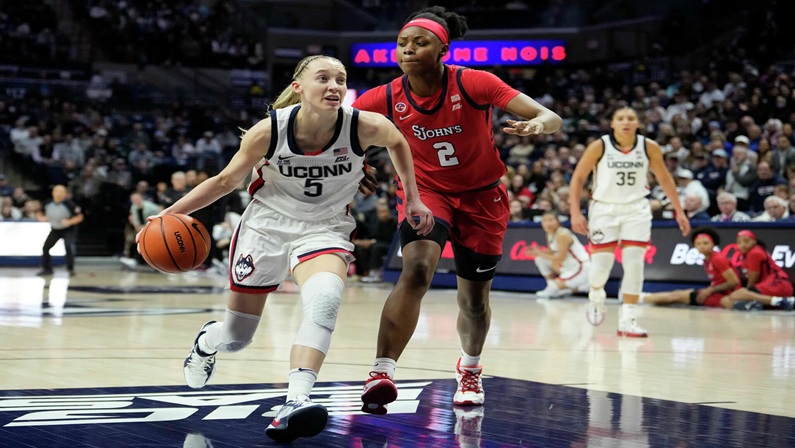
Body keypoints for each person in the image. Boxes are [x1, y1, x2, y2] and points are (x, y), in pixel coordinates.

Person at [140, 55, 433, 443]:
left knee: (325, 299)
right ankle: (206, 343)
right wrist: (166, 215)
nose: (334, 86)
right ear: (298, 87)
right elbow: (226, 180)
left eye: (340, 80)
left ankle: (296, 400)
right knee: (236, 337)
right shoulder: (267, 132)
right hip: (266, 229)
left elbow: (397, 141)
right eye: (323, 78)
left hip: (324, 229)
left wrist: (412, 198)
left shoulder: (363, 126)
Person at [352, 5, 562, 414]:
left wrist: (538, 124)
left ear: (442, 48)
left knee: (474, 301)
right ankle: (381, 371)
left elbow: (549, 116)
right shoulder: (385, 96)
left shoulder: (473, 81)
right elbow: (339, 129)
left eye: (420, 42)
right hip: (426, 192)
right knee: (416, 270)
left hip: (483, 197)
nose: (408, 49)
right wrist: (354, 161)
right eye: (402, 43)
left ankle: (470, 367)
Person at [569, 106, 690, 337]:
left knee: (635, 264)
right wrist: (575, 212)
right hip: (604, 209)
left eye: (631, 118)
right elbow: (578, 178)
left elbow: (664, 178)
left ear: (637, 123)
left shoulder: (648, 147)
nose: (626, 122)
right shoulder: (599, 146)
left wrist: (679, 211)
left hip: (636, 209)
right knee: (601, 267)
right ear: (612, 123)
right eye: (621, 118)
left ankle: (628, 318)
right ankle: (596, 296)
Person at [641, 227, 740, 308]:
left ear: (713, 244)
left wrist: (710, 290)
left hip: (726, 294)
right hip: (717, 292)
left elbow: (734, 282)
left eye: (706, 243)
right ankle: (642, 298)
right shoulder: (707, 259)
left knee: (676, 296)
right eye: (698, 244)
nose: (702, 246)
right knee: (677, 295)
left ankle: (638, 298)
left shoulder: (717, 258)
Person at [526, 211, 590, 298]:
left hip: (581, 267)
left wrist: (540, 253)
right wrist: (537, 251)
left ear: (558, 221)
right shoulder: (549, 234)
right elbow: (552, 252)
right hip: (568, 267)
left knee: (553, 288)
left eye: (551, 220)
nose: (547, 223)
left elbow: (561, 258)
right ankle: (556, 287)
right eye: (544, 221)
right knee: (540, 259)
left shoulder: (562, 234)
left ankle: (582, 287)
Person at [725, 230, 794, 311]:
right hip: (766, 288)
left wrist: (746, 293)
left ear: (754, 241)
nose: (742, 245)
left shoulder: (754, 252)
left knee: (737, 295)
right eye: (739, 242)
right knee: (726, 301)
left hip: (778, 284)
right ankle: (752, 305)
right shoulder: (744, 256)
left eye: (746, 241)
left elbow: (753, 280)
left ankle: (782, 302)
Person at [36, 185, 84, 276]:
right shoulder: (47, 203)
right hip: (55, 229)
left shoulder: (69, 204)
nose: (59, 194)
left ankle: (70, 269)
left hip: (68, 230)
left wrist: (70, 221)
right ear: (53, 193)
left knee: (68, 246)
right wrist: (41, 217)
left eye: (61, 192)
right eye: (57, 191)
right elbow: (39, 212)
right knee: (46, 247)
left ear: (65, 194)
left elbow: (80, 216)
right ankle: (47, 268)